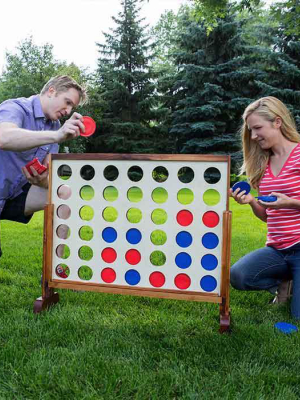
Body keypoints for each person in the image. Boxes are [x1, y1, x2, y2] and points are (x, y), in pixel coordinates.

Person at [0, 75, 88, 260]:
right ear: (51, 91)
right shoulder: (17, 107)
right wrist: (56, 136)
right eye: (67, 102)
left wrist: (43, 180)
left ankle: (55, 268)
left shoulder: (53, 126)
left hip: (12, 195)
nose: (69, 110)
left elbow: (47, 177)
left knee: (64, 192)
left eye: (72, 107)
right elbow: (3, 137)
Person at [230, 96, 300, 320]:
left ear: (277, 122)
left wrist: (290, 202)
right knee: (239, 276)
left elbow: (285, 205)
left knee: (297, 316)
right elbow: (268, 217)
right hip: (277, 249)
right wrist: (251, 201)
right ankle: (285, 280)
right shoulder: (262, 164)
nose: (253, 136)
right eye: (250, 130)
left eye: (257, 128)